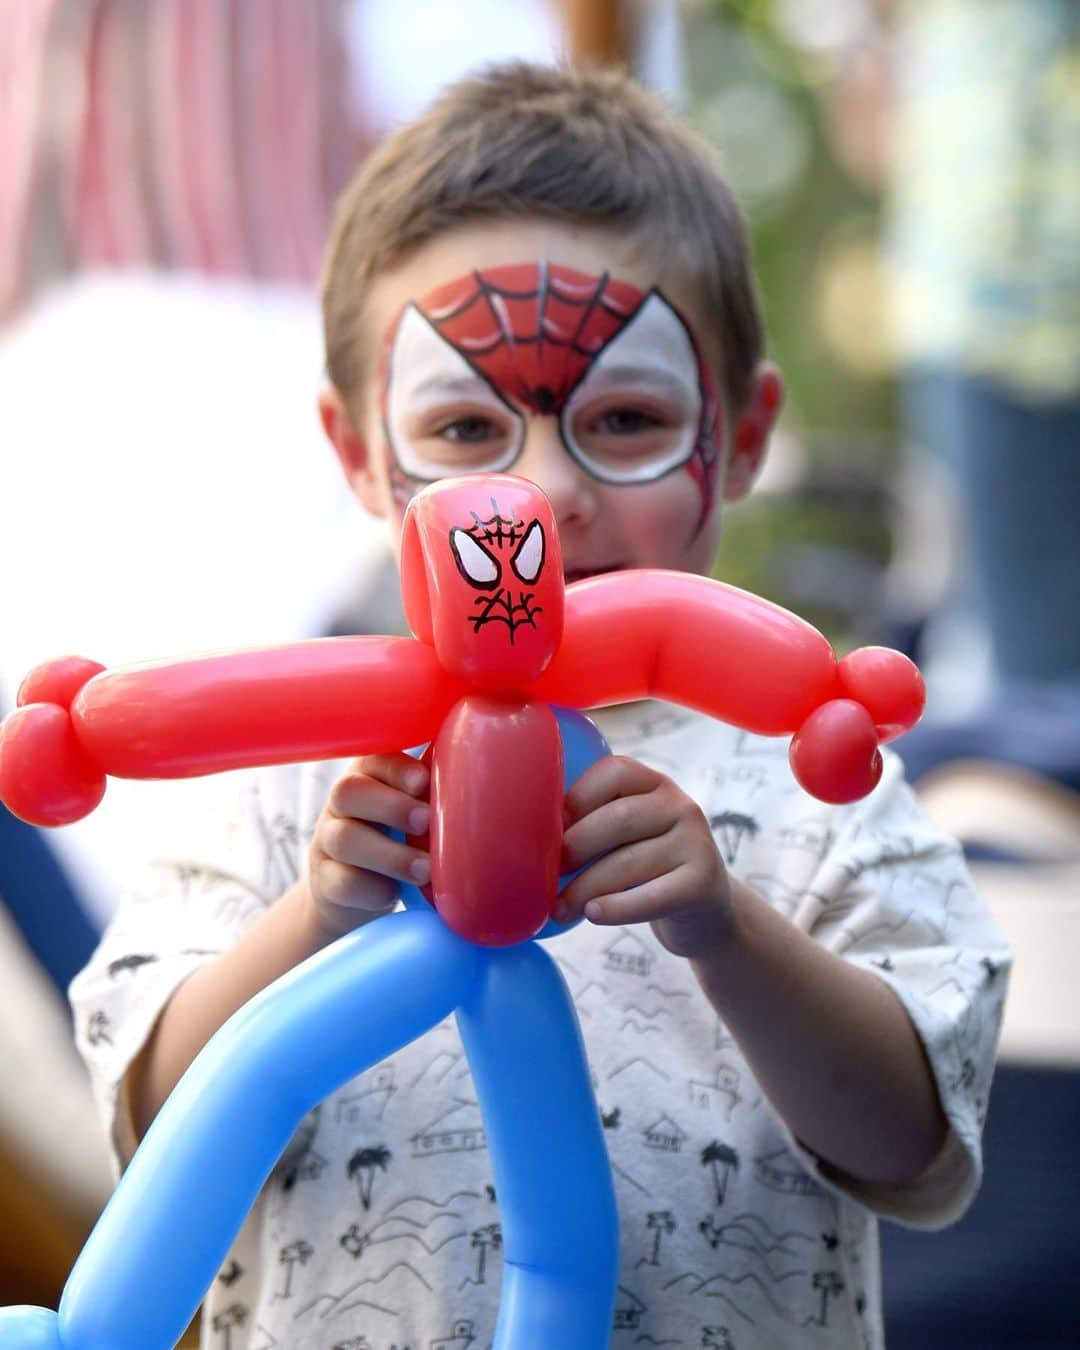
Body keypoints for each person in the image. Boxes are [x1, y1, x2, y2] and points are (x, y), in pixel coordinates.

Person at [69, 63, 1010, 1350]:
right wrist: (318, 914)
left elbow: (913, 1144)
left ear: (739, 438)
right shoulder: (282, 789)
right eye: (463, 431)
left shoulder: (815, 775)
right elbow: (151, 1121)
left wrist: (725, 930)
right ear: (358, 456)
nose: (541, 499)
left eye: (624, 419)